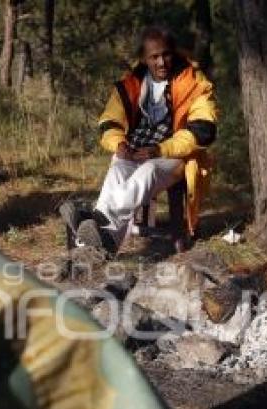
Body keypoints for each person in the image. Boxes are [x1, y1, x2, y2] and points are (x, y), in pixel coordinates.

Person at [61, 26, 217, 256]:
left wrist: (160, 149)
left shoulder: (194, 82)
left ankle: (92, 220)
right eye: (154, 57)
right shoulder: (131, 84)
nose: (162, 62)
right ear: (144, 58)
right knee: (116, 171)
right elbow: (109, 120)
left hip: (173, 156)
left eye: (166, 54)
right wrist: (120, 144)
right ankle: (104, 244)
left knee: (147, 173)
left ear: (173, 53)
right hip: (135, 150)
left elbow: (204, 130)